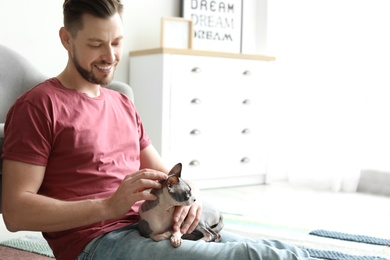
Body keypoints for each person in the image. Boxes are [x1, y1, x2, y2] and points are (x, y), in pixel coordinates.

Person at [1, 0, 313, 259]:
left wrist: (193, 201)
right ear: (67, 39)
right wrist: (109, 206)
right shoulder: (38, 106)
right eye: (96, 44)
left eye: (117, 42)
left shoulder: (121, 103)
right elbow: (16, 213)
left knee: (283, 251)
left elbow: (165, 173)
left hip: (151, 226)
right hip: (99, 243)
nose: (110, 57)